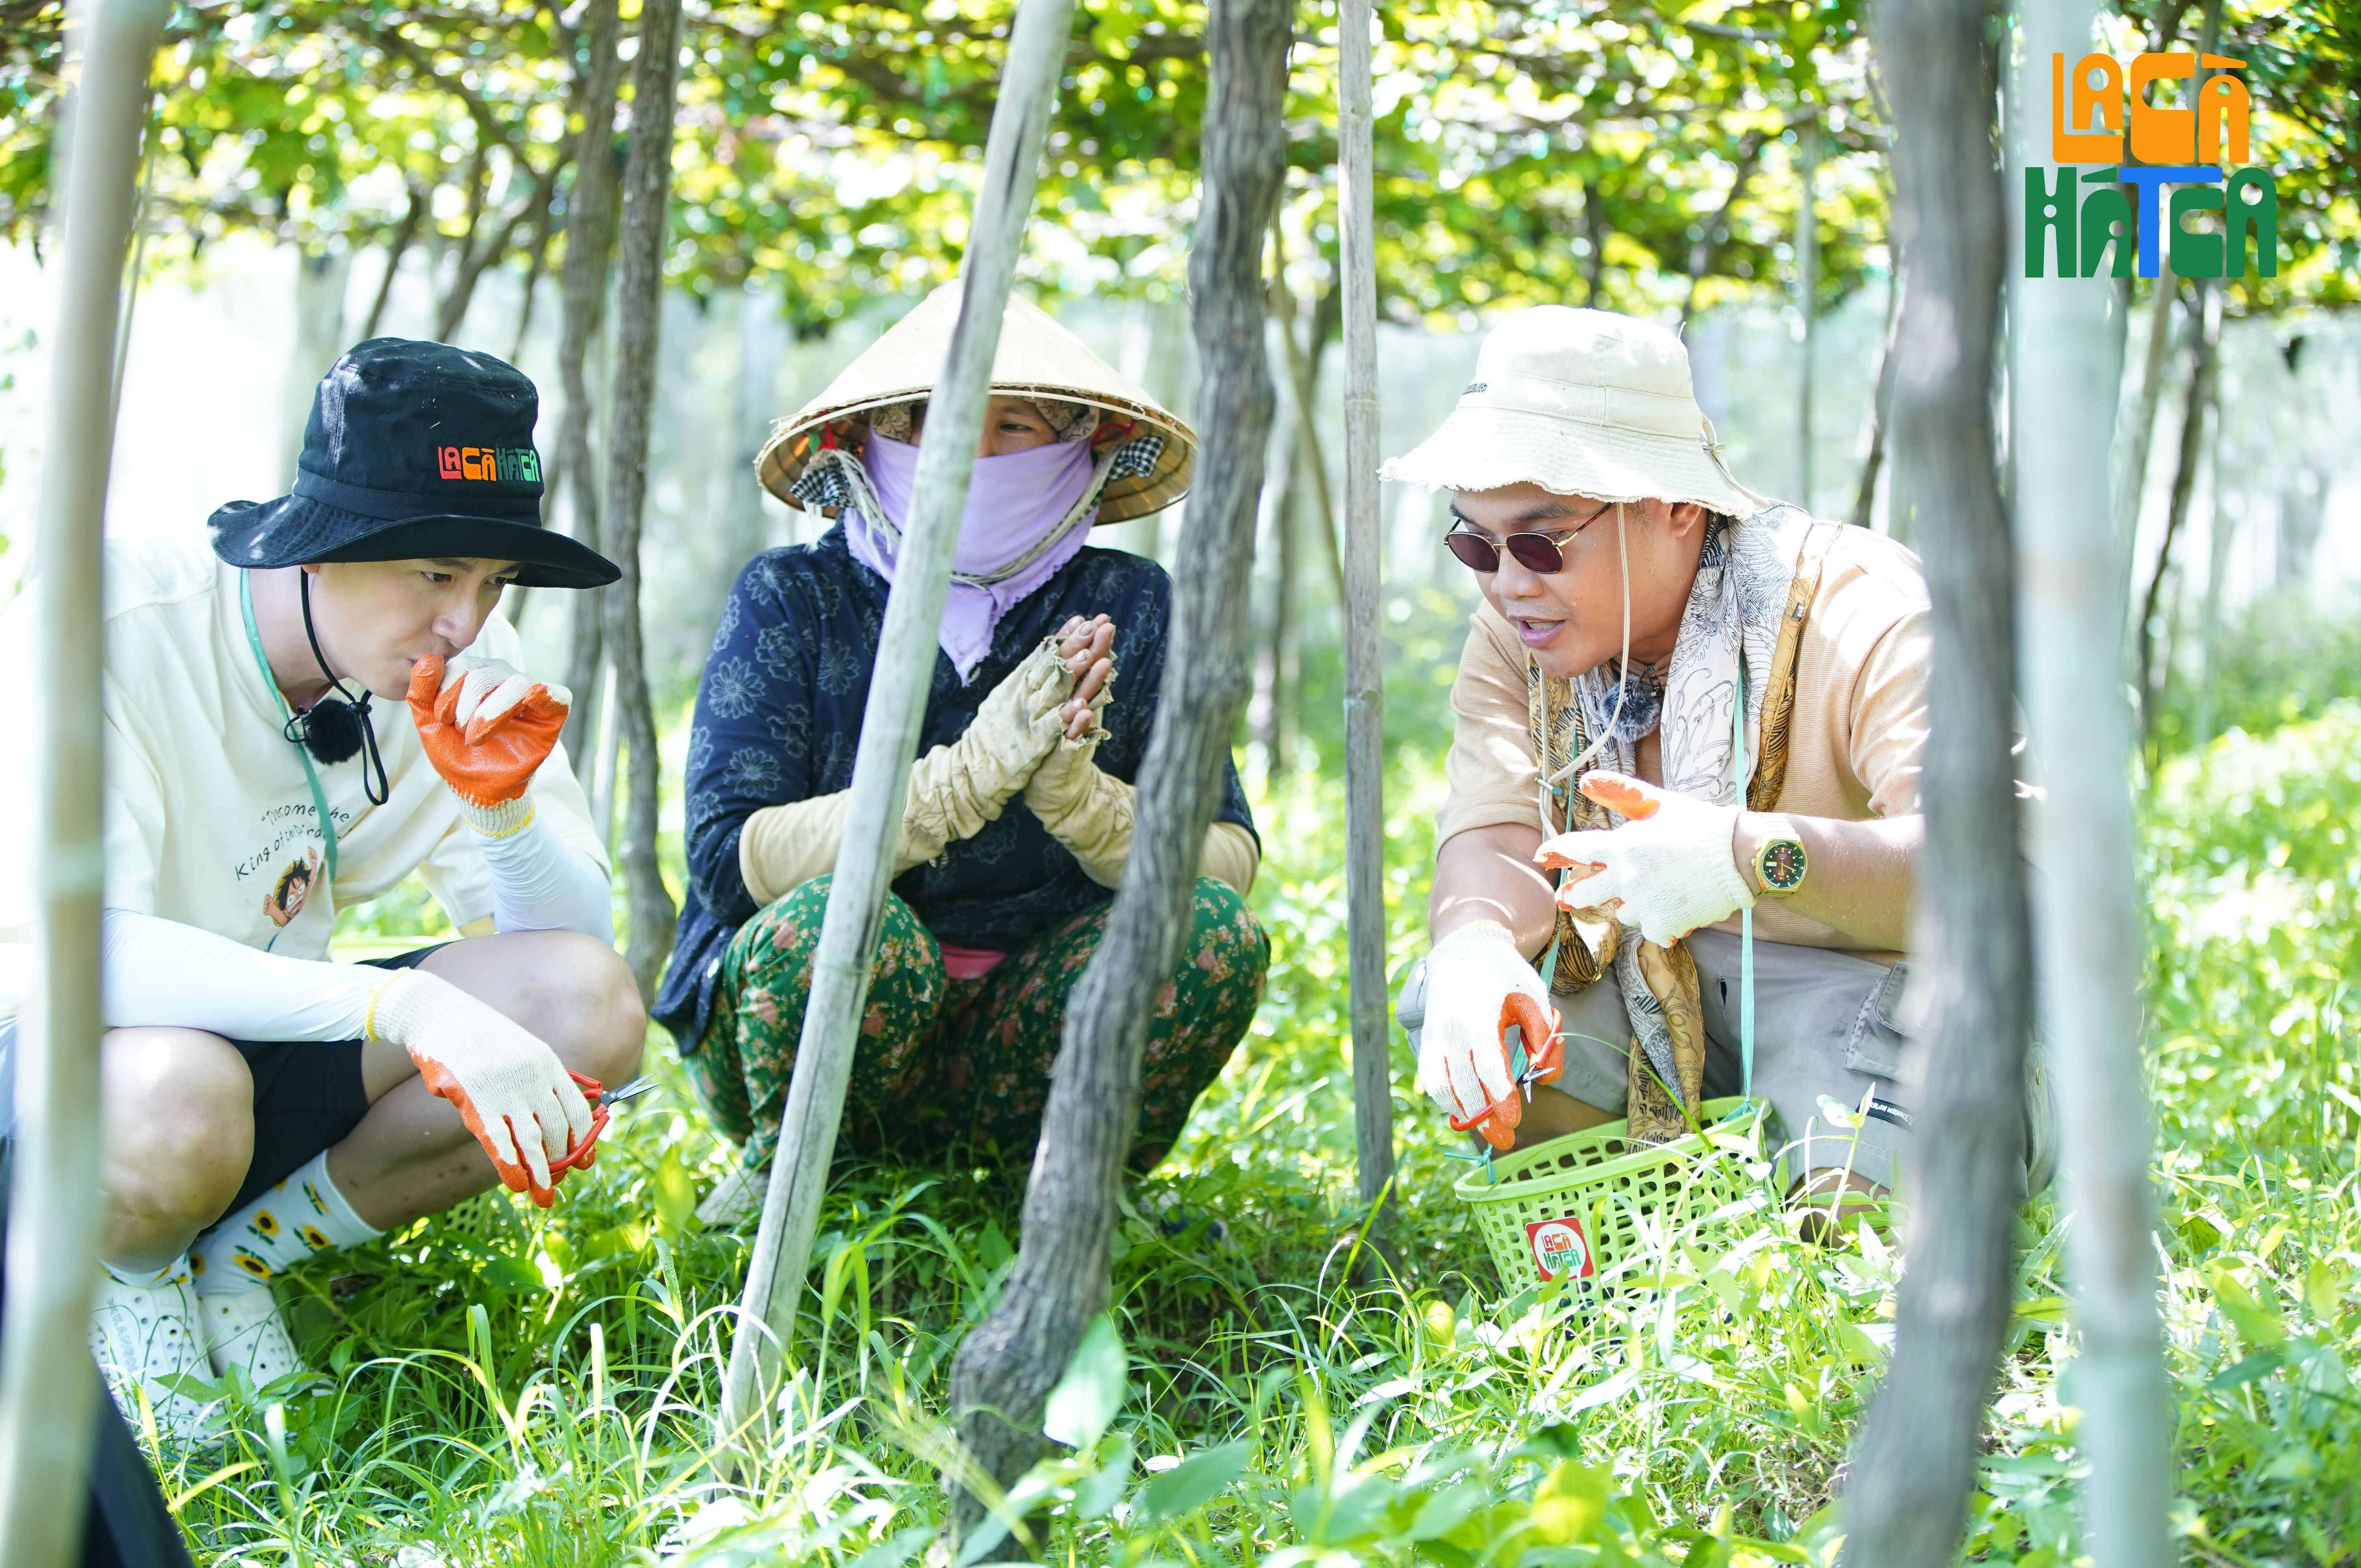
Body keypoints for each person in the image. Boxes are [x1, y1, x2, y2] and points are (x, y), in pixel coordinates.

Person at [0, 339, 645, 1441]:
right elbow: (84, 953)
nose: (467, 623)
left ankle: (239, 1262)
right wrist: (407, 1005)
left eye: (494, 583)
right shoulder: (114, 623)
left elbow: (583, 977)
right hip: (69, 1070)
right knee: (177, 1089)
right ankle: (129, 1272)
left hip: (265, 1046)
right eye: (436, 572)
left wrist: (503, 813)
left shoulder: (439, 663)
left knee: (584, 1013)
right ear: (320, 545)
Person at [1389, 306, 2041, 1235]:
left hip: (1871, 985)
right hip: (1653, 973)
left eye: (1539, 542)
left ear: (1676, 505)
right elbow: (1499, 829)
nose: (1505, 580)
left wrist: (1751, 857)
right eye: (1472, 543)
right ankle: (1619, 1263)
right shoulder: (1518, 638)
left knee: (1850, 1246)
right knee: (1479, 996)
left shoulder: (1861, 609)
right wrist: (1474, 947)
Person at [661, 284, 1268, 1212]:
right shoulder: (794, 596)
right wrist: (962, 782)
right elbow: (727, 864)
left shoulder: (1137, 604)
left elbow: (1226, 862)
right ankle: (794, 1172)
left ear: (1084, 453)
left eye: (1017, 426)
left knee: (1210, 932)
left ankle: (1076, 1183)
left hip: (1032, 1034)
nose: (974, 455)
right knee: (845, 921)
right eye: (931, 425)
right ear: (864, 447)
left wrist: (1082, 801)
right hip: (813, 1026)